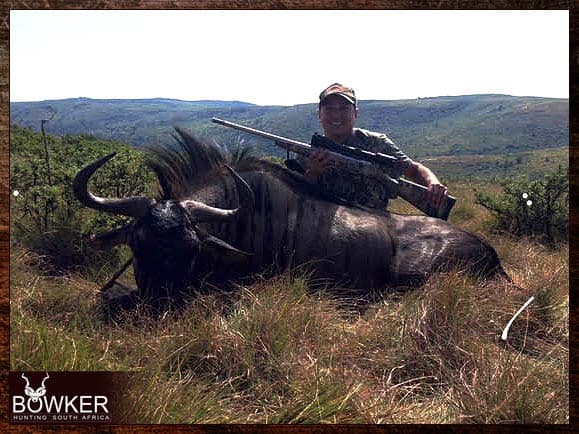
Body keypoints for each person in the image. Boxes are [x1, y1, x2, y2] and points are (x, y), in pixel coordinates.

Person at [298, 83, 448, 211]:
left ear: (355, 113)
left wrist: (432, 182)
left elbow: (413, 169)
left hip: (377, 231)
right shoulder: (307, 155)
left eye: (344, 108)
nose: (336, 115)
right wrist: (313, 173)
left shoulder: (377, 143)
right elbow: (297, 203)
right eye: (329, 109)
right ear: (319, 114)